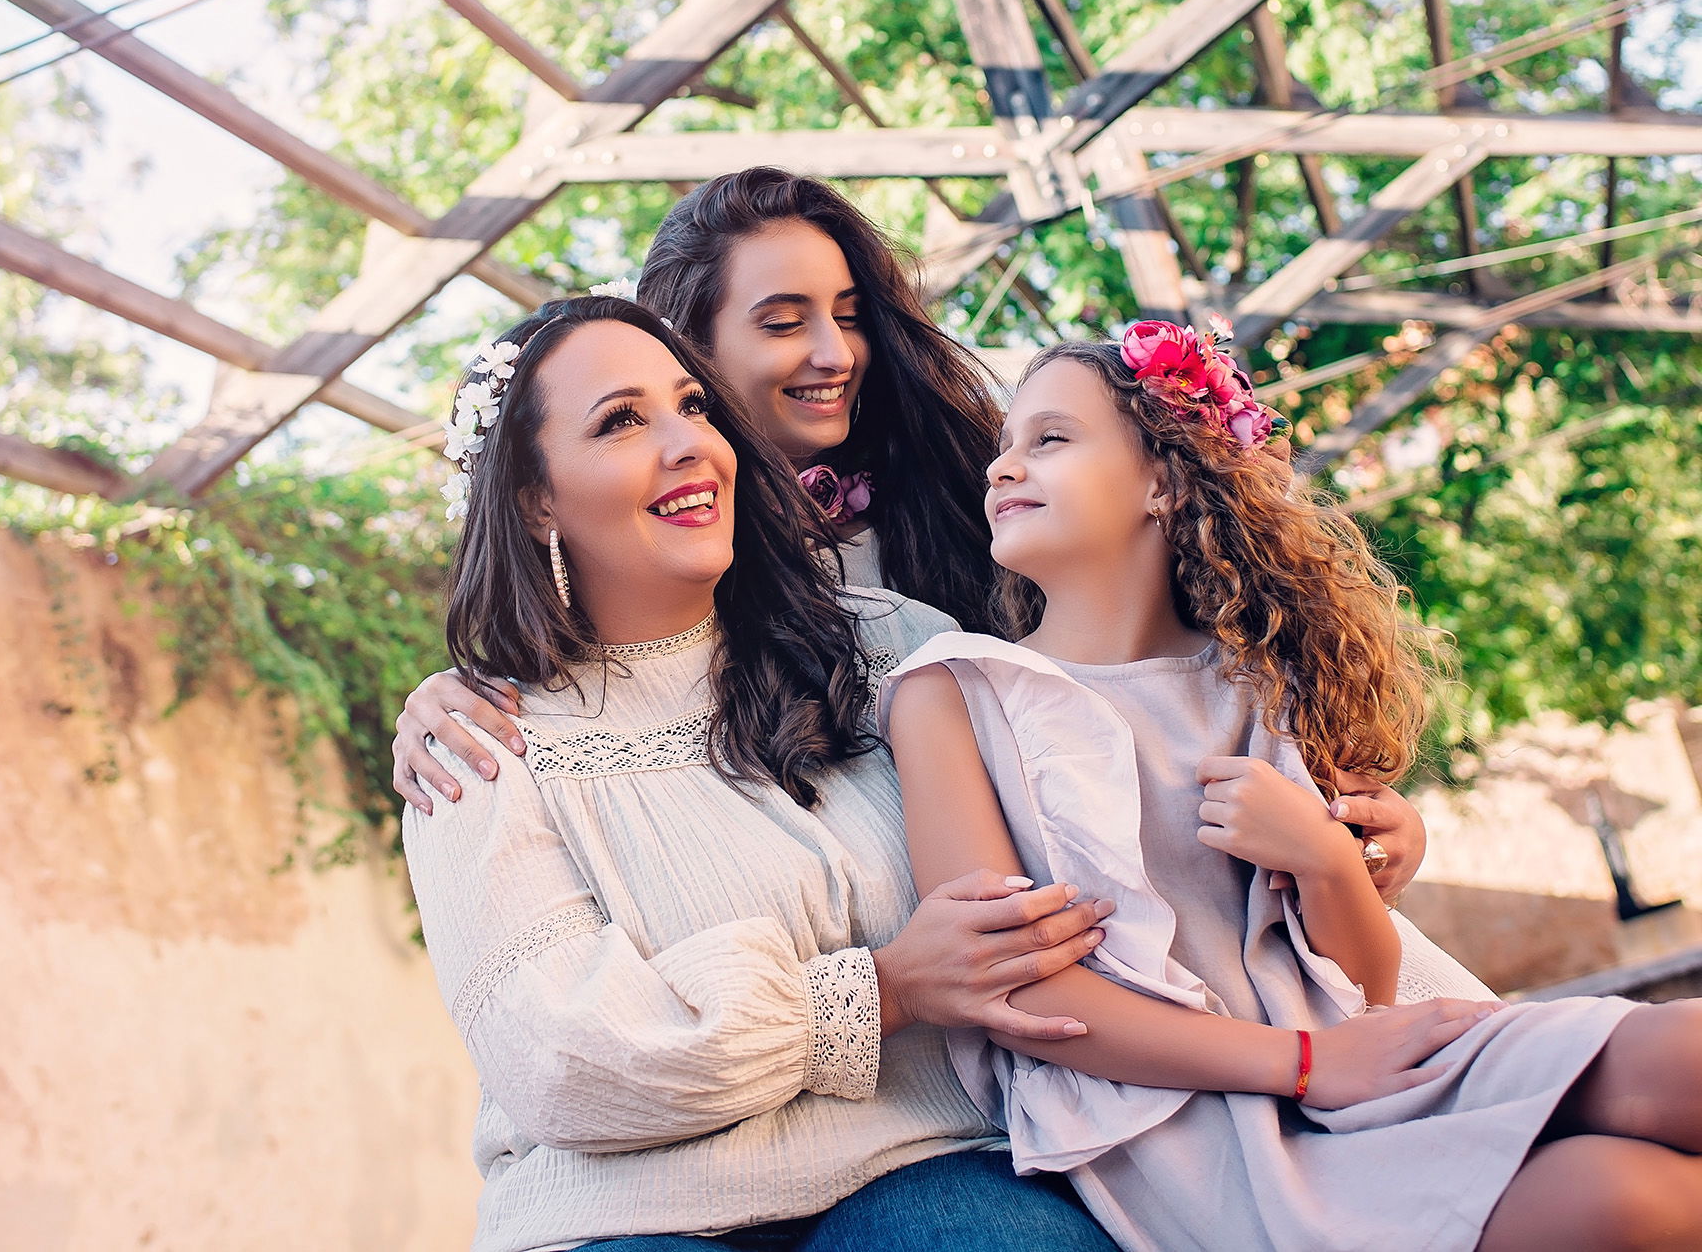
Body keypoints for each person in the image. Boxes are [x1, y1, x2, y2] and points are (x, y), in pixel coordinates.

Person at [402, 296, 1476, 1252]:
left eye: (689, 403)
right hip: (619, 1208)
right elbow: (561, 1062)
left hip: (925, 1155)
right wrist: (886, 987)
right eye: (620, 421)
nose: (688, 442)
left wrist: (1354, 850)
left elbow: (1145, 829)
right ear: (535, 498)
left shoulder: (894, 646)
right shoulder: (480, 742)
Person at [394, 169, 1439, 980]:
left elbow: (1184, 666)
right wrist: (447, 695)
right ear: (685, 349)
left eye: (847, 312)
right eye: (779, 320)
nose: (831, 350)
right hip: (1048, 990)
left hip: (1191, 927)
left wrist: (1356, 821)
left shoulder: (969, 495)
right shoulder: (660, 567)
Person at [880, 325, 1702, 1252]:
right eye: (1005, 445)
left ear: (1165, 480)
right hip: (1195, 1119)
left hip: (1366, 1052)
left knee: (1686, 1056)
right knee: (1630, 1202)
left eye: (1050, 439)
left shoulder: (1265, 678)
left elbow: (1364, 980)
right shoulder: (952, 692)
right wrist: (1306, 1062)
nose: (1003, 467)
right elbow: (1021, 996)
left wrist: (1324, 859)